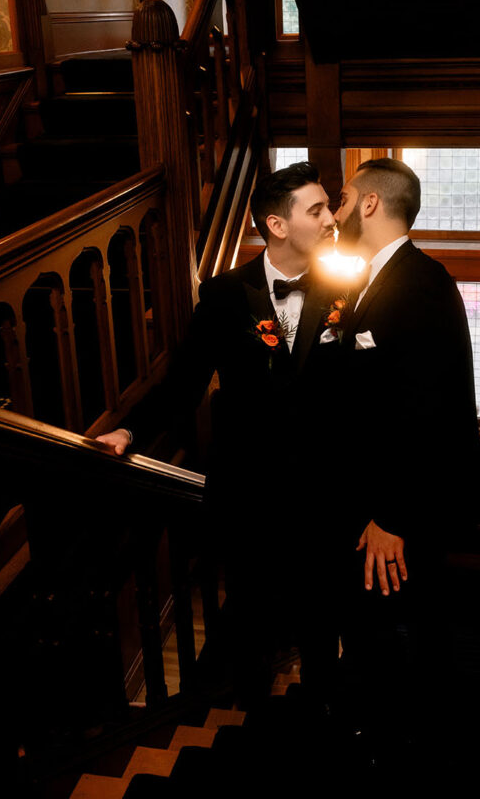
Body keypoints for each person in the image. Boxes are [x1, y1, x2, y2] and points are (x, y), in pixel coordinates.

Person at [97, 161, 339, 701]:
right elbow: (182, 380)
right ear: (278, 225)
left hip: (325, 492)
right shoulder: (226, 293)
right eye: (317, 209)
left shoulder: (351, 284)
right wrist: (129, 433)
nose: (330, 219)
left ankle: (325, 723)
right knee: (252, 614)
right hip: (249, 491)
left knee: (322, 617)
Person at [329, 156, 480, 744]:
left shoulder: (418, 283)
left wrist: (391, 518)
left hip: (410, 506)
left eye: (342, 199)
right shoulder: (372, 279)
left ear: (369, 203)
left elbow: (423, 408)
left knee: (407, 628)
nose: (337, 211)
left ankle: (408, 748)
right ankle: (389, 732)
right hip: (386, 500)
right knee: (387, 628)